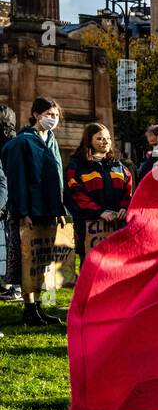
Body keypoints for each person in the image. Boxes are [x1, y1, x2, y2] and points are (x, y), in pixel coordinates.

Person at [0, 96, 66, 327]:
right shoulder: (22, 142)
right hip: (29, 212)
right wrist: (22, 211)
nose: (53, 119)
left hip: (49, 209)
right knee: (28, 260)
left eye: (56, 115)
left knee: (41, 260)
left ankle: (38, 306)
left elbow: (57, 176)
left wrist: (59, 209)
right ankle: (29, 310)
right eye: (49, 114)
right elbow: (17, 180)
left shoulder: (51, 139)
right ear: (37, 115)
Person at [63, 123, 133, 267]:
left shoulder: (120, 167)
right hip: (89, 228)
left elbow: (128, 192)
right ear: (89, 141)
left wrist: (124, 208)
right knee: (90, 270)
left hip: (116, 228)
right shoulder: (76, 167)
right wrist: (100, 212)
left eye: (107, 138)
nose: (105, 141)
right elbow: (75, 195)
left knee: (116, 270)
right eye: (99, 138)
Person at [0, 105, 21, 304]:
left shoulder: (9, 144)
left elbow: (6, 178)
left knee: (14, 246)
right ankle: (11, 286)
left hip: (13, 204)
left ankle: (15, 287)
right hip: (12, 203)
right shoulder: (12, 142)